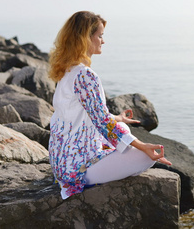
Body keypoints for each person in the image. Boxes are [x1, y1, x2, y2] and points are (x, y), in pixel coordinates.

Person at [48, 11, 171, 199]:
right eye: (100, 36)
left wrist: (118, 118)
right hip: (77, 171)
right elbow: (103, 122)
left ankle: (112, 153)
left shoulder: (67, 71)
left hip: (61, 163)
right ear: (85, 39)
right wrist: (143, 146)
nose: (103, 41)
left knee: (121, 127)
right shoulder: (86, 76)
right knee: (147, 156)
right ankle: (100, 174)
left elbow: (89, 114)